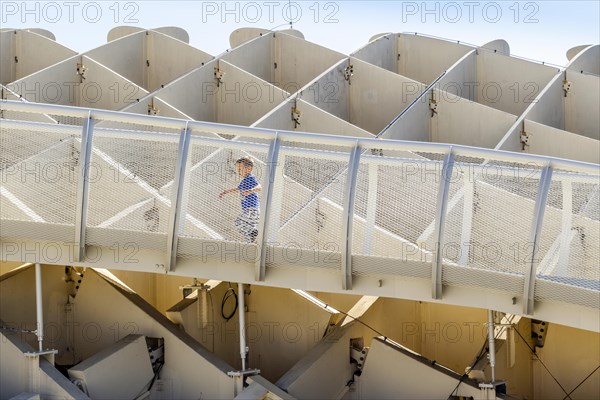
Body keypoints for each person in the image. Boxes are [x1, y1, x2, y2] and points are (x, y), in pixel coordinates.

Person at [219, 156, 261, 243]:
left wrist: (250, 191)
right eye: (237, 169)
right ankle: (252, 241)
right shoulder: (244, 181)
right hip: (248, 210)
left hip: (251, 209)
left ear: (249, 169)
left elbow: (259, 187)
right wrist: (226, 192)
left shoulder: (250, 178)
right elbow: (237, 189)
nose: (238, 171)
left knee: (239, 222)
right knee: (247, 228)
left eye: (240, 169)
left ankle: (253, 233)